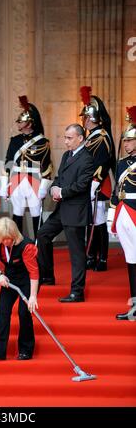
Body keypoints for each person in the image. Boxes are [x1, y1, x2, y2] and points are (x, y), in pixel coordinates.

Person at [37, 124, 95, 301]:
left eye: (69, 138)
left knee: (76, 253)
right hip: (62, 209)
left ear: (80, 138)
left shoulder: (87, 159)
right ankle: (47, 276)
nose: (66, 141)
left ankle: (77, 292)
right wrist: (54, 188)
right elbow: (59, 177)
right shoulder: (66, 155)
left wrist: (61, 192)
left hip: (76, 211)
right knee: (43, 234)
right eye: (65, 137)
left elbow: (82, 185)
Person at [0, 217, 38, 360]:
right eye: (3, 239)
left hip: (27, 279)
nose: (6, 242)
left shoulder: (26, 246)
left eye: (8, 239)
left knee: (24, 312)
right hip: (9, 277)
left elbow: (34, 272)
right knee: (3, 311)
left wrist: (32, 296)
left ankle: (26, 349)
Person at [0, 95, 53, 240]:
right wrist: (4, 186)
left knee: (36, 212)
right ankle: (17, 243)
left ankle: (39, 244)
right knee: (17, 212)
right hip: (16, 179)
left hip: (34, 179)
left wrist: (43, 186)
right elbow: (8, 163)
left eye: (21, 122)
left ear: (29, 123)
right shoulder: (15, 140)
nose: (18, 124)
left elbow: (47, 166)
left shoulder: (42, 142)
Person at [80, 86, 116, 271]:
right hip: (89, 184)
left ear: (93, 118)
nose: (83, 121)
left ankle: (102, 258)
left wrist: (94, 184)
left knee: (99, 222)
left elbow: (102, 163)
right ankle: (91, 255)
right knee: (91, 222)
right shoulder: (91, 137)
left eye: (85, 117)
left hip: (99, 184)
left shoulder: (101, 137)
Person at [107, 107, 136, 320]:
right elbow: (117, 190)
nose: (126, 144)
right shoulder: (121, 163)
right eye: (124, 140)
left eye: (129, 140)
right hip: (123, 212)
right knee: (131, 260)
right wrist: (111, 217)